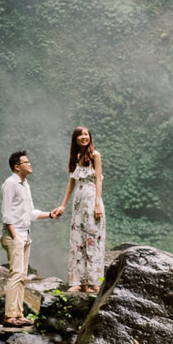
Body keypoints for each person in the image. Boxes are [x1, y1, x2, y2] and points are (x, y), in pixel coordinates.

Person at [0, 150, 55, 326]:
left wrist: (51, 215)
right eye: (26, 162)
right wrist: (15, 236)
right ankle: (9, 316)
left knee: (22, 275)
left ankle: (18, 314)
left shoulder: (25, 184)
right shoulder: (10, 184)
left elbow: (30, 213)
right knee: (16, 275)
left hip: (25, 234)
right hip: (14, 235)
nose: (30, 164)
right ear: (17, 167)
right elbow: (6, 214)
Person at [54, 126, 105, 294]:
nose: (84, 137)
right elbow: (71, 183)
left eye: (86, 134)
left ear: (90, 136)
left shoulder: (95, 156)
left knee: (93, 239)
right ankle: (79, 282)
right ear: (75, 139)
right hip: (78, 203)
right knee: (78, 240)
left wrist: (97, 204)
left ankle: (94, 282)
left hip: (91, 200)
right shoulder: (76, 157)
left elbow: (98, 180)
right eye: (80, 135)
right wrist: (63, 205)